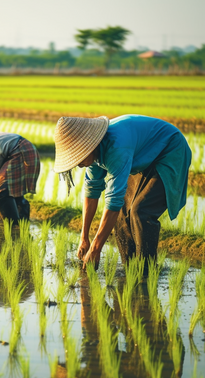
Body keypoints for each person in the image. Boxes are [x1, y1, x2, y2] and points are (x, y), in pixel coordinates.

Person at [53, 114, 191, 271]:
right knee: (122, 213)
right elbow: (91, 192)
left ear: (88, 147)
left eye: (78, 158)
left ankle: (146, 273)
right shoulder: (93, 153)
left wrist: (96, 248)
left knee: (141, 211)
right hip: (143, 155)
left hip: (169, 150)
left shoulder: (116, 147)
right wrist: (84, 238)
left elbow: (113, 201)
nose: (77, 164)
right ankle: (130, 269)